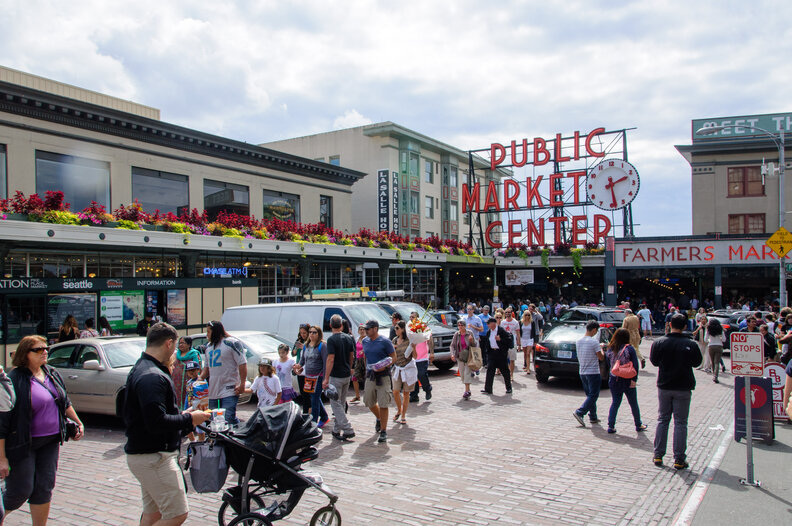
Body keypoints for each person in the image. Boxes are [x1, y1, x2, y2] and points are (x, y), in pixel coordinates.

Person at [124, 322, 211, 526]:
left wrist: (183, 415)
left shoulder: (143, 368)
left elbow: (154, 414)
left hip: (147, 454)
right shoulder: (152, 376)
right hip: (154, 457)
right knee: (176, 514)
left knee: (153, 514)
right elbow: (157, 422)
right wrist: (190, 419)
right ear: (169, 343)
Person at [0, 335, 84, 525]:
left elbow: (64, 402)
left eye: (46, 348)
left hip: (50, 441)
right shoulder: (14, 379)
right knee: (20, 490)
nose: (45, 352)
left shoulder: (51, 373)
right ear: (25, 354)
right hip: (23, 443)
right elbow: (2, 422)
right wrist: (2, 457)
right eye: (38, 350)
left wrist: (78, 422)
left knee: (44, 488)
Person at [650, 313, 703, 470]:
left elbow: (654, 361)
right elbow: (697, 362)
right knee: (681, 422)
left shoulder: (659, 342)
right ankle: (679, 458)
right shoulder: (690, 344)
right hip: (683, 386)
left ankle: (658, 454)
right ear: (685, 326)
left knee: (663, 419)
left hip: (665, 385)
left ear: (669, 325)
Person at [200, 320, 247, 428]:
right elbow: (207, 369)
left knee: (228, 418)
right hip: (213, 390)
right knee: (213, 420)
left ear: (215, 331)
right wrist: (199, 379)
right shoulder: (208, 347)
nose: (207, 335)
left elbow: (242, 363)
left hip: (229, 389)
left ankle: (239, 434)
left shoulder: (231, 343)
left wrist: (242, 383)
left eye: (208, 332)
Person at [604, 328, 646, 434]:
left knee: (615, 403)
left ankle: (611, 425)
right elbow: (635, 366)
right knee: (633, 403)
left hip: (614, 379)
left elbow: (608, 364)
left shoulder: (610, 348)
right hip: (627, 379)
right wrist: (634, 379)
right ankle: (638, 424)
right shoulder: (629, 348)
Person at [361, 319, 396, 443]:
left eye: (368, 329)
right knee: (369, 402)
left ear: (375, 328)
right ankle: (379, 418)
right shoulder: (365, 341)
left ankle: (384, 431)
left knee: (383, 403)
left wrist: (385, 366)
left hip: (383, 376)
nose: (366, 331)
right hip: (370, 375)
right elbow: (366, 356)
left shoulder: (385, 341)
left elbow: (393, 356)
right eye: (365, 329)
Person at [324, 314, 356, 440]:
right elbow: (352, 355)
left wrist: (326, 378)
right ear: (341, 325)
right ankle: (336, 430)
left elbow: (330, 359)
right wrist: (350, 367)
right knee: (341, 402)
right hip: (346, 374)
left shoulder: (331, 340)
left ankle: (348, 429)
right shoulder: (348, 337)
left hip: (336, 375)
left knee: (335, 404)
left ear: (331, 325)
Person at [294, 325, 329, 427]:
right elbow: (303, 360)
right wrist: (299, 366)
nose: (311, 334)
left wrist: (325, 378)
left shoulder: (322, 346)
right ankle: (324, 417)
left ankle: (314, 421)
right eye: (310, 332)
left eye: (314, 332)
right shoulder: (306, 345)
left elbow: (325, 362)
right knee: (314, 397)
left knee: (314, 398)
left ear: (319, 334)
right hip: (308, 376)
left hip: (318, 376)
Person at [573, 321, 604, 427]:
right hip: (593, 371)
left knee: (590, 395)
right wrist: (602, 349)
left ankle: (593, 416)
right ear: (594, 330)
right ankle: (580, 412)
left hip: (582, 371)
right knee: (594, 395)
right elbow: (601, 357)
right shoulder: (594, 342)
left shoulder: (578, 341)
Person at [391, 320, 418, 425]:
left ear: (403, 329)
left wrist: (414, 348)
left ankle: (403, 415)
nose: (395, 330)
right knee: (395, 391)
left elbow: (415, 357)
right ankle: (399, 409)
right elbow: (391, 354)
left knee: (406, 393)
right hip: (397, 368)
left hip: (407, 368)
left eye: (397, 328)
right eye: (395, 328)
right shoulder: (394, 340)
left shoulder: (409, 341)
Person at [480, 318, 512, 395]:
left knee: (505, 371)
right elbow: (487, 342)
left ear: (493, 323)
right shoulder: (489, 332)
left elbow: (509, 340)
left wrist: (500, 340)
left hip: (500, 353)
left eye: (489, 323)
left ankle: (509, 388)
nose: (488, 325)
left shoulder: (501, 330)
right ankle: (488, 389)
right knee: (490, 371)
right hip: (492, 353)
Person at [409, 312, 434, 403]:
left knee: (421, 374)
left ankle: (427, 388)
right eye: (410, 317)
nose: (411, 318)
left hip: (422, 356)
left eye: (413, 317)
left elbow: (430, 340)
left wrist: (431, 352)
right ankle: (414, 395)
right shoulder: (409, 329)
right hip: (412, 357)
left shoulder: (423, 328)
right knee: (413, 376)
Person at [172, 336, 202, 411]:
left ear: (189, 345)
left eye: (183, 343)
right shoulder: (175, 355)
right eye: (180, 343)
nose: (180, 345)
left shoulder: (194, 354)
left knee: (189, 400)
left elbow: (198, 368)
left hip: (190, 383)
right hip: (177, 384)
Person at [450, 319, 477, 400]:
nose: (460, 327)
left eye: (462, 325)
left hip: (468, 356)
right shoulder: (456, 334)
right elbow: (452, 345)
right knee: (462, 373)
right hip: (460, 356)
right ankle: (467, 388)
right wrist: (452, 354)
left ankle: (467, 390)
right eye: (459, 325)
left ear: (465, 326)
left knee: (467, 372)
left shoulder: (469, 333)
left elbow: (474, 345)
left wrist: (471, 341)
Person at [291, 323, 312, 414]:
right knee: (302, 392)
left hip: (307, 369)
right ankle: (305, 410)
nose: (303, 335)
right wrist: (296, 348)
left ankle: (308, 411)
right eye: (301, 333)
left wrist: (304, 347)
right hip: (299, 369)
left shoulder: (310, 341)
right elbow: (293, 353)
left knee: (308, 393)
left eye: (304, 333)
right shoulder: (299, 340)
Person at [500, 308, 520, 377]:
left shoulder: (515, 322)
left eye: (509, 312)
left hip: (512, 343)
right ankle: (507, 374)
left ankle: (511, 374)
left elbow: (518, 334)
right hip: (504, 344)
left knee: (512, 360)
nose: (507, 314)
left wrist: (519, 344)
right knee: (504, 360)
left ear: (512, 313)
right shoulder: (502, 322)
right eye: (506, 312)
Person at [351, 324, 366, 404]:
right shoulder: (357, 339)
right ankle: (357, 395)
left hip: (365, 360)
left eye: (363, 329)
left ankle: (369, 396)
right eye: (360, 329)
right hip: (358, 360)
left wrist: (363, 351)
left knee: (367, 378)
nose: (362, 331)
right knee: (354, 378)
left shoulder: (367, 339)